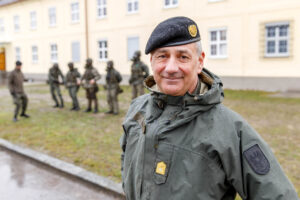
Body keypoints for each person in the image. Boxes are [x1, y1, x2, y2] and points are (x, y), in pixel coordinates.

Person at [120, 17, 298, 200]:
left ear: (200, 62)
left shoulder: (229, 129)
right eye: (162, 56)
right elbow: (126, 158)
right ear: (152, 61)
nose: (171, 68)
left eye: (183, 57)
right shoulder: (138, 108)